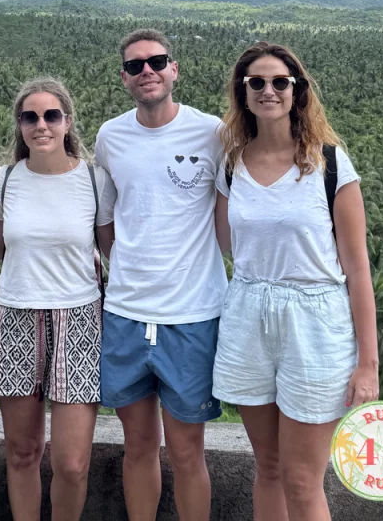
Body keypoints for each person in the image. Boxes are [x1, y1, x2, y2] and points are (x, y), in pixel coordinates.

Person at [212, 41, 378, 521]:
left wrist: (367, 363)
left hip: (315, 323)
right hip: (249, 315)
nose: (268, 91)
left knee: (302, 480)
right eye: (257, 82)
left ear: (296, 90)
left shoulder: (329, 164)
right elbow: (224, 243)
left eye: (280, 82)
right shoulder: (232, 165)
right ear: (243, 93)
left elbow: (357, 267)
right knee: (267, 467)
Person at [95, 29, 226, 521]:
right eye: (135, 66)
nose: (146, 71)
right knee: (138, 448)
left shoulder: (211, 133)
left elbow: (229, 216)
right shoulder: (111, 137)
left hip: (192, 314)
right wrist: (130, 268)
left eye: (156, 61)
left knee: (188, 453)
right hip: (126, 312)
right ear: (124, 77)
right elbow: (106, 221)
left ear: (174, 69)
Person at [0, 77, 113, 521]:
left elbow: (114, 252)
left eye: (51, 115)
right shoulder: (4, 181)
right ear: (19, 125)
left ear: (67, 122)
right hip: (16, 316)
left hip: (79, 320)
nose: (41, 125)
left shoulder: (94, 181)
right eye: (30, 117)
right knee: (22, 452)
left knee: (72, 464)